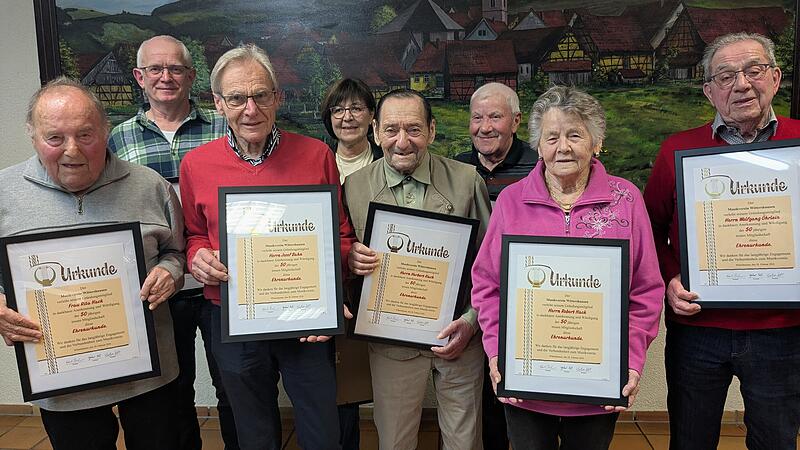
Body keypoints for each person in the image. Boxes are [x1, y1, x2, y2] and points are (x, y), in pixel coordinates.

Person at [179, 43, 355, 450]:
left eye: (260, 95)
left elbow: (340, 235)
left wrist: (333, 292)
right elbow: (193, 236)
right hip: (233, 317)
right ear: (219, 103)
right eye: (237, 98)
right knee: (253, 431)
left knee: (322, 429)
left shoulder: (316, 155)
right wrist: (197, 258)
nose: (251, 109)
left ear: (277, 98)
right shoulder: (196, 165)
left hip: (305, 319)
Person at [472, 85, 664, 450]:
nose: (563, 147)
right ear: (538, 145)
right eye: (552, 137)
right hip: (526, 381)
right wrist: (497, 352)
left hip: (597, 383)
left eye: (575, 135)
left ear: (596, 141)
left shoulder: (626, 200)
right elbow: (486, 285)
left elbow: (645, 290)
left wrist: (632, 360)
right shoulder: (512, 201)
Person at [0, 77, 184, 449]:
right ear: (34, 138)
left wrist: (170, 272)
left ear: (106, 132)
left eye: (85, 135)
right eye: (54, 138)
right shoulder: (4, 193)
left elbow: (177, 253)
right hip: (62, 379)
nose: (71, 150)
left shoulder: (150, 186)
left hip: (149, 374)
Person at [644, 32, 800, 450]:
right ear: (709, 91)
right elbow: (650, 230)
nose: (742, 84)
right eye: (726, 76)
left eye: (753, 70)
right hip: (698, 328)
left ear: (775, 77)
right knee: (690, 440)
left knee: (776, 441)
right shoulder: (677, 149)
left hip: (783, 331)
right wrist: (671, 277)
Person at [107, 35, 237, 450]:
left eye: (176, 69)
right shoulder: (118, 140)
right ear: (139, 77)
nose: (166, 77)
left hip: (224, 283)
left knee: (234, 383)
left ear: (192, 76)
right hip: (159, 286)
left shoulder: (225, 126)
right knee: (172, 392)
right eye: (156, 70)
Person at [345, 88, 491, 450]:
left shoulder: (466, 180)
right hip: (390, 340)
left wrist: (472, 323)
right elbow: (341, 253)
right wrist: (351, 258)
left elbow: (491, 266)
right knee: (394, 441)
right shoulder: (354, 186)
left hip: (459, 334)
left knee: (464, 442)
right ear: (375, 131)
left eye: (413, 129)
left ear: (432, 130)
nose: (402, 141)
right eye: (391, 129)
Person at [320, 77, 381, 450]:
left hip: (376, 283)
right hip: (331, 285)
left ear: (372, 116)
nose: (347, 117)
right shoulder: (315, 162)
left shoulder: (388, 161)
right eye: (338, 110)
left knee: (367, 378)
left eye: (357, 108)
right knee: (334, 378)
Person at [455, 82, 538, 202]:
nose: (484, 128)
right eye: (477, 118)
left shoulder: (538, 166)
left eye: (495, 117)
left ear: (515, 121)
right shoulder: (459, 166)